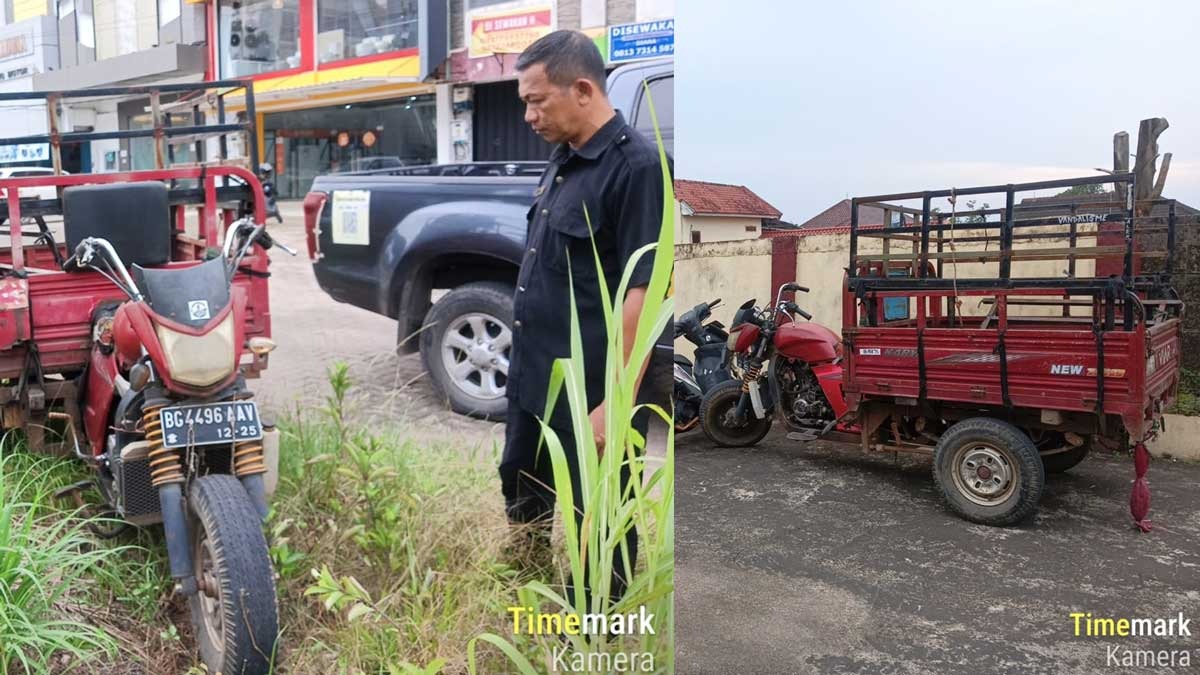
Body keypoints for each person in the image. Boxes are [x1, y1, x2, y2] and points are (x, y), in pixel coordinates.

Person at [498, 29, 669, 603]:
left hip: (591, 394)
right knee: (524, 493)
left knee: (597, 523)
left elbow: (642, 296)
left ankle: (593, 630)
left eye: (535, 99)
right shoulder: (564, 159)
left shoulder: (639, 168)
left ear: (583, 88)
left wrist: (612, 404)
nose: (528, 114)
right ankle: (528, 602)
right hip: (534, 383)